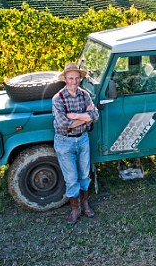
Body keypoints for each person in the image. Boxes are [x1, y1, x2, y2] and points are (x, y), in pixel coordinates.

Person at [52, 62, 99, 224]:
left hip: (83, 139)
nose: (74, 82)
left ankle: (85, 204)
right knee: (71, 178)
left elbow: (95, 115)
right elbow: (63, 124)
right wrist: (84, 117)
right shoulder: (58, 99)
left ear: (80, 79)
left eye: (77, 78)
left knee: (84, 174)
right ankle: (75, 209)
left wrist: (74, 116)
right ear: (65, 79)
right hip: (65, 141)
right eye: (71, 78)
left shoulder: (84, 95)